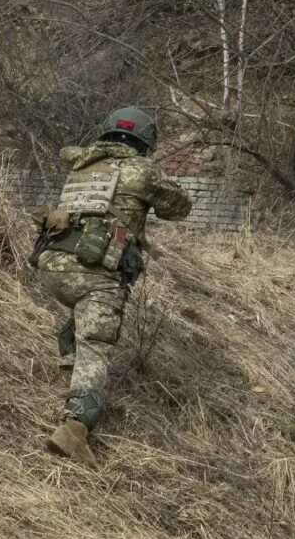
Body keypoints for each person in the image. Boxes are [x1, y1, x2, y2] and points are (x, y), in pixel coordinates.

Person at [29, 105, 193, 467]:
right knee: (97, 345)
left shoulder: (83, 162)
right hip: (97, 274)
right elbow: (180, 207)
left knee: (82, 317)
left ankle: (65, 370)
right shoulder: (142, 170)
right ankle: (74, 429)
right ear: (145, 141)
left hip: (52, 265)